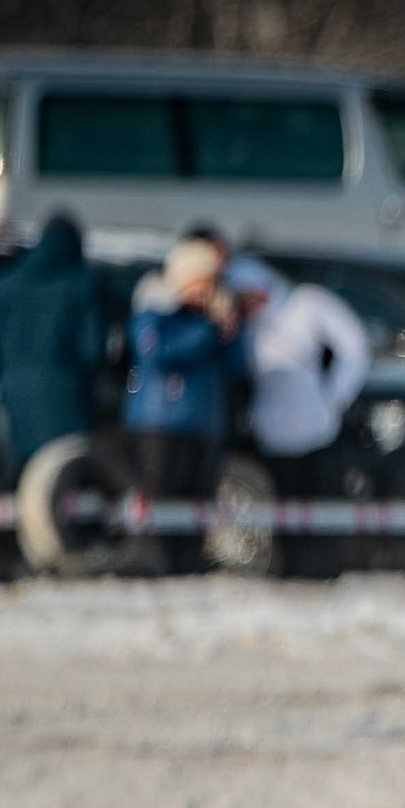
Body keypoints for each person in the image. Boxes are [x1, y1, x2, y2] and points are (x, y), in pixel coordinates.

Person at [122, 237, 245, 573]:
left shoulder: (215, 315)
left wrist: (230, 331)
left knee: (197, 505)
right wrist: (208, 329)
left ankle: (191, 563)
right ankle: (154, 564)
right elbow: (158, 354)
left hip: (205, 423)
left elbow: (237, 367)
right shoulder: (156, 308)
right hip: (160, 421)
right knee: (161, 502)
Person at [0, 213, 103, 477]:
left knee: (22, 487)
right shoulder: (80, 286)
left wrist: (5, 374)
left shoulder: (6, 283)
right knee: (61, 483)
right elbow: (93, 350)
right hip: (67, 403)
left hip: (14, 401)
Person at [223, 257, 370, 487]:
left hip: (318, 432)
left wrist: (335, 398)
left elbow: (354, 347)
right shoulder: (243, 327)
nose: (249, 305)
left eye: (249, 297)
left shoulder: (306, 304)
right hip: (270, 437)